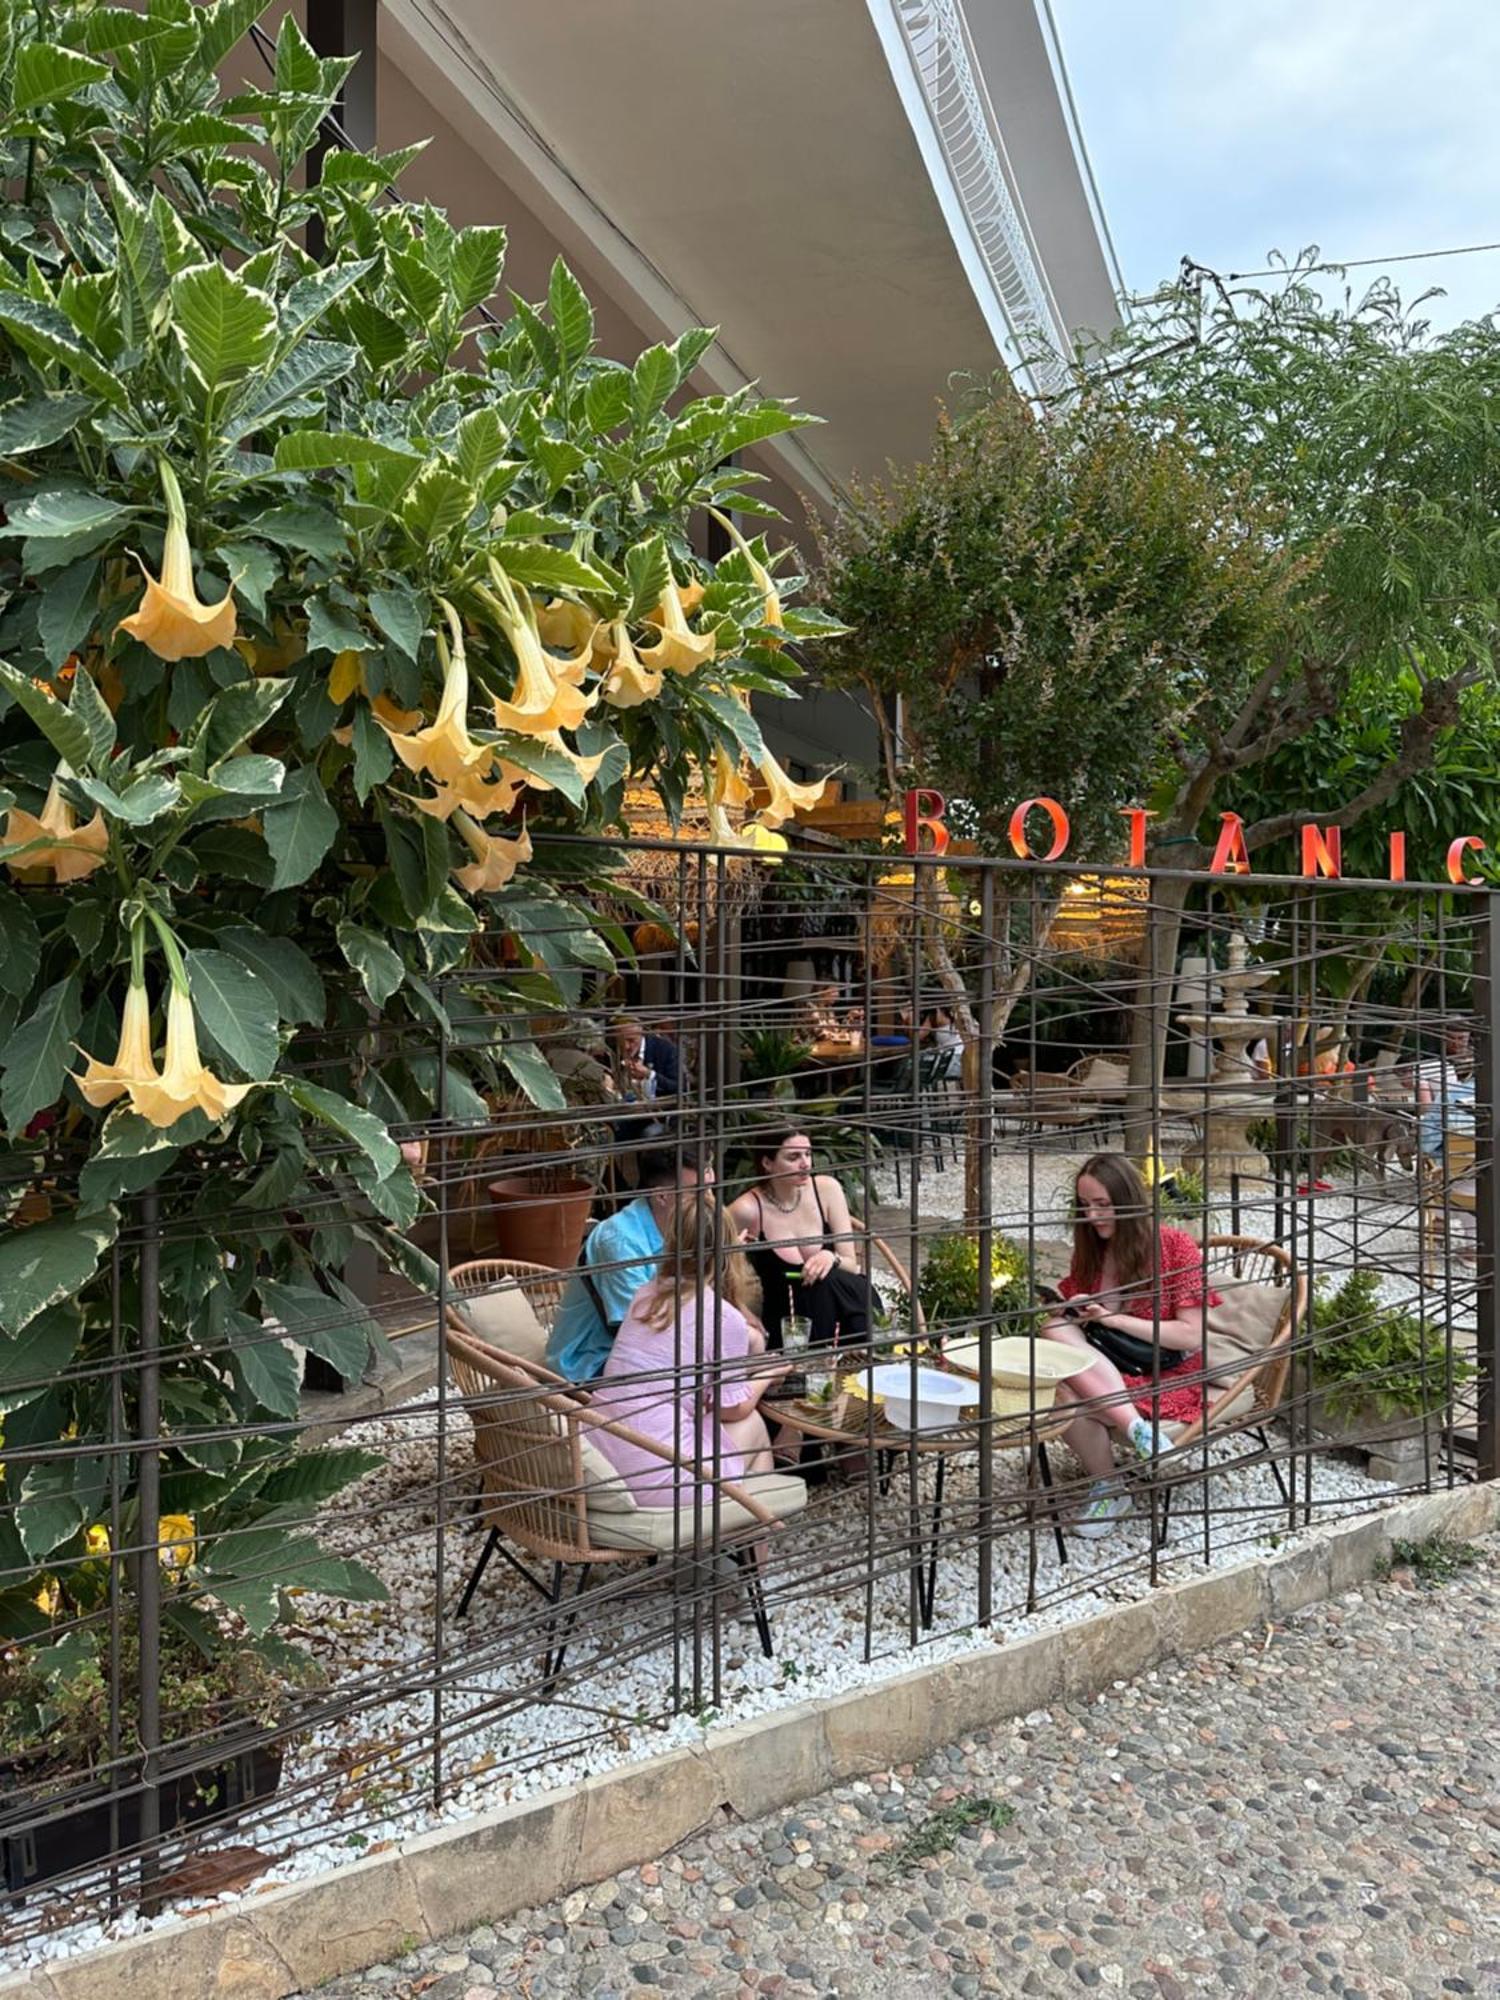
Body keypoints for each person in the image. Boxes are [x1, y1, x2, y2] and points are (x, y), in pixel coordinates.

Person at [1041, 1152, 1220, 1539]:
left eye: (1103, 1205)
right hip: (1109, 1365)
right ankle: (1129, 1449)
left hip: (1164, 1372)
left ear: (1128, 1201)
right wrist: (1076, 1310)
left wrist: (1111, 1318)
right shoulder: (1091, 1249)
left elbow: (1190, 1335)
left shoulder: (1174, 1247)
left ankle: (1114, 1476)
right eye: (1085, 1205)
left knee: (1066, 1392)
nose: (1093, 1217)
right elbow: (1081, 1323)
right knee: (1054, 1332)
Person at [587, 1198, 788, 1507]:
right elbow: (730, 1409)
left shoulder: (646, 1295)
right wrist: (768, 1374)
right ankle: (750, 1541)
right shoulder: (723, 1318)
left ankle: (736, 1538)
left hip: (603, 1459)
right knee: (755, 1429)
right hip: (660, 1477)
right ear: (728, 1251)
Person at [546, 1149, 714, 1382]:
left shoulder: (685, 1228)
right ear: (662, 1196)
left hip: (652, 1350)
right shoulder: (620, 1242)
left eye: (711, 1188)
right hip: (587, 1365)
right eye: (699, 1192)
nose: (711, 1201)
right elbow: (642, 1332)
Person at [727, 1127, 872, 1349]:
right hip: (792, 1322)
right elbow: (711, 1268)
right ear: (767, 1163)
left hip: (844, 1306)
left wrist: (830, 1257)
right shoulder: (747, 1209)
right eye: (793, 1157)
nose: (805, 1163)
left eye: (808, 1154)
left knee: (831, 1283)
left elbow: (851, 1266)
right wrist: (742, 1310)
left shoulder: (827, 1190)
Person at [609, 1016, 680, 1102]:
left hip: (658, 1110)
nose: (626, 1046)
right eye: (620, 1041)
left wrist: (649, 1074)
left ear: (641, 1034)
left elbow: (679, 1086)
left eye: (631, 1040)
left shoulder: (665, 1049)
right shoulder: (612, 1050)